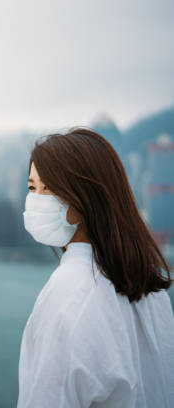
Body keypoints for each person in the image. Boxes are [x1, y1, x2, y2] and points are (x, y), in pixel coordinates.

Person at [17, 127, 174, 407]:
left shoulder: (70, 291)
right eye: (32, 188)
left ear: (83, 198)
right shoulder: (151, 289)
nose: (36, 199)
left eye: (48, 188)